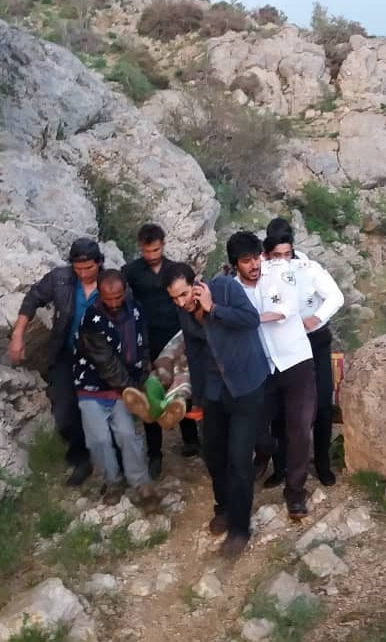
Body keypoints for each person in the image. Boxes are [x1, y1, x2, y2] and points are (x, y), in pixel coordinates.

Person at [163, 256, 267, 557]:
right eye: (174, 298)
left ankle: (239, 529)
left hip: (246, 386)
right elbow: (195, 354)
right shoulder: (183, 311)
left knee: (239, 459)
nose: (181, 302)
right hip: (214, 390)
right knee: (213, 454)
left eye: (184, 294)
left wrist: (213, 309)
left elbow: (251, 319)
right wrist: (198, 399)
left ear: (196, 283)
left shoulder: (225, 289)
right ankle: (224, 507)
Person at [231, 231, 316, 520]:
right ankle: (266, 451)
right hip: (262, 369)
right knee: (255, 426)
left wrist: (250, 319)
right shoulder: (231, 290)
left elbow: (287, 309)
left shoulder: (280, 271)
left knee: (299, 430)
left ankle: (295, 493)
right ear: (235, 264)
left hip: (296, 361)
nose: (255, 265)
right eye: (246, 261)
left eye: (257, 258)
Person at [8, 238, 102, 486]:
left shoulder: (112, 284)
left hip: (101, 360)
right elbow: (33, 298)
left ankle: (112, 464)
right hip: (66, 354)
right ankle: (81, 459)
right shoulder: (60, 279)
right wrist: (18, 334)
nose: (83, 274)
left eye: (89, 268)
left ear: (99, 263)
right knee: (64, 413)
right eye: (78, 269)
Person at [263, 221, 345, 486]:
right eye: (276, 255)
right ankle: (280, 467)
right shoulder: (264, 271)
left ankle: (322, 463)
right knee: (279, 409)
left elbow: (335, 297)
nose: (282, 260)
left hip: (314, 343)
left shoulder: (309, 269)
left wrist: (316, 318)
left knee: (322, 406)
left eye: (287, 253)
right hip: (283, 346)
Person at [121, 224, 201, 476]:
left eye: (156, 250)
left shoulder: (174, 271)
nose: (152, 255)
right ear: (140, 247)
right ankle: (155, 454)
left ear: (163, 245)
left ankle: (191, 440)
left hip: (178, 336)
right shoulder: (131, 272)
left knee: (182, 387)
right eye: (147, 251)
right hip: (148, 340)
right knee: (150, 390)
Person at [74, 270, 157, 507]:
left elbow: (143, 344)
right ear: (99, 294)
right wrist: (134, 392)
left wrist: (144, 373)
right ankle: (111, 481)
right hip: (93, 386)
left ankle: (141, 482)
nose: (113, 303)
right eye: (108, 298)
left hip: (124, 386)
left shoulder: (136, 310)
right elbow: (107, 365)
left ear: (125, 291)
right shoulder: (91, 320)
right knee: (99, 439)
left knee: (127, 434)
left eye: (118, 297)